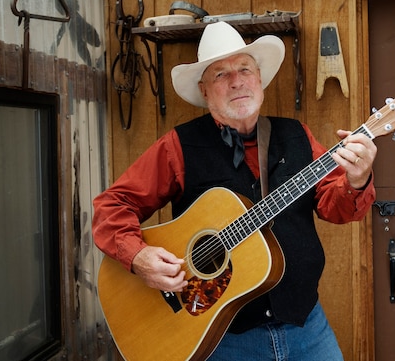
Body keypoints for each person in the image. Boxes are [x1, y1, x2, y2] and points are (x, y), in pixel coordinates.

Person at [92, 21, 377, 361]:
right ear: (204, 90)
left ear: (260, 81)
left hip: (306, 329)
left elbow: (335, 207)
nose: (237, 81)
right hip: (222, 338)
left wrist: (356, 180)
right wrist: (139, 258)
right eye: (221, 75)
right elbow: (112, 206)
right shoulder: (178, 147)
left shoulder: (297, 136)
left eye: (245, 69)